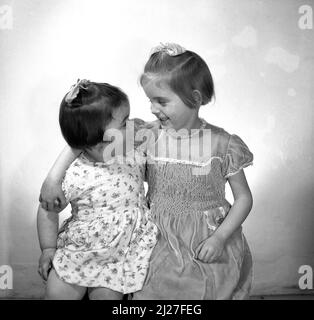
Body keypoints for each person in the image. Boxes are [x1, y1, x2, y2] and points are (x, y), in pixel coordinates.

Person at [40, 43, 254, 300]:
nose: (152, 109)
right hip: (156, 234)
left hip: (206, 234)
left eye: (161, 101)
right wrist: (53, 179)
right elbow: (88, 138)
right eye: (150, 100)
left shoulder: (223, 143)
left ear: (195, 99)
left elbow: (243, 198)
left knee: (206, 291)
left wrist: (220, 238)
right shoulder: (146, 134)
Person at [37, 79, 158, 300]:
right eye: (123, 122)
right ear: (97, 139)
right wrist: (47, 248)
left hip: (119, 255)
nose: (130, 125)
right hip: (81, 250)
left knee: (108, 297)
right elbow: (48, 209)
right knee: (57, 294)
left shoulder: (134, 154)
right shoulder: (76, 173)